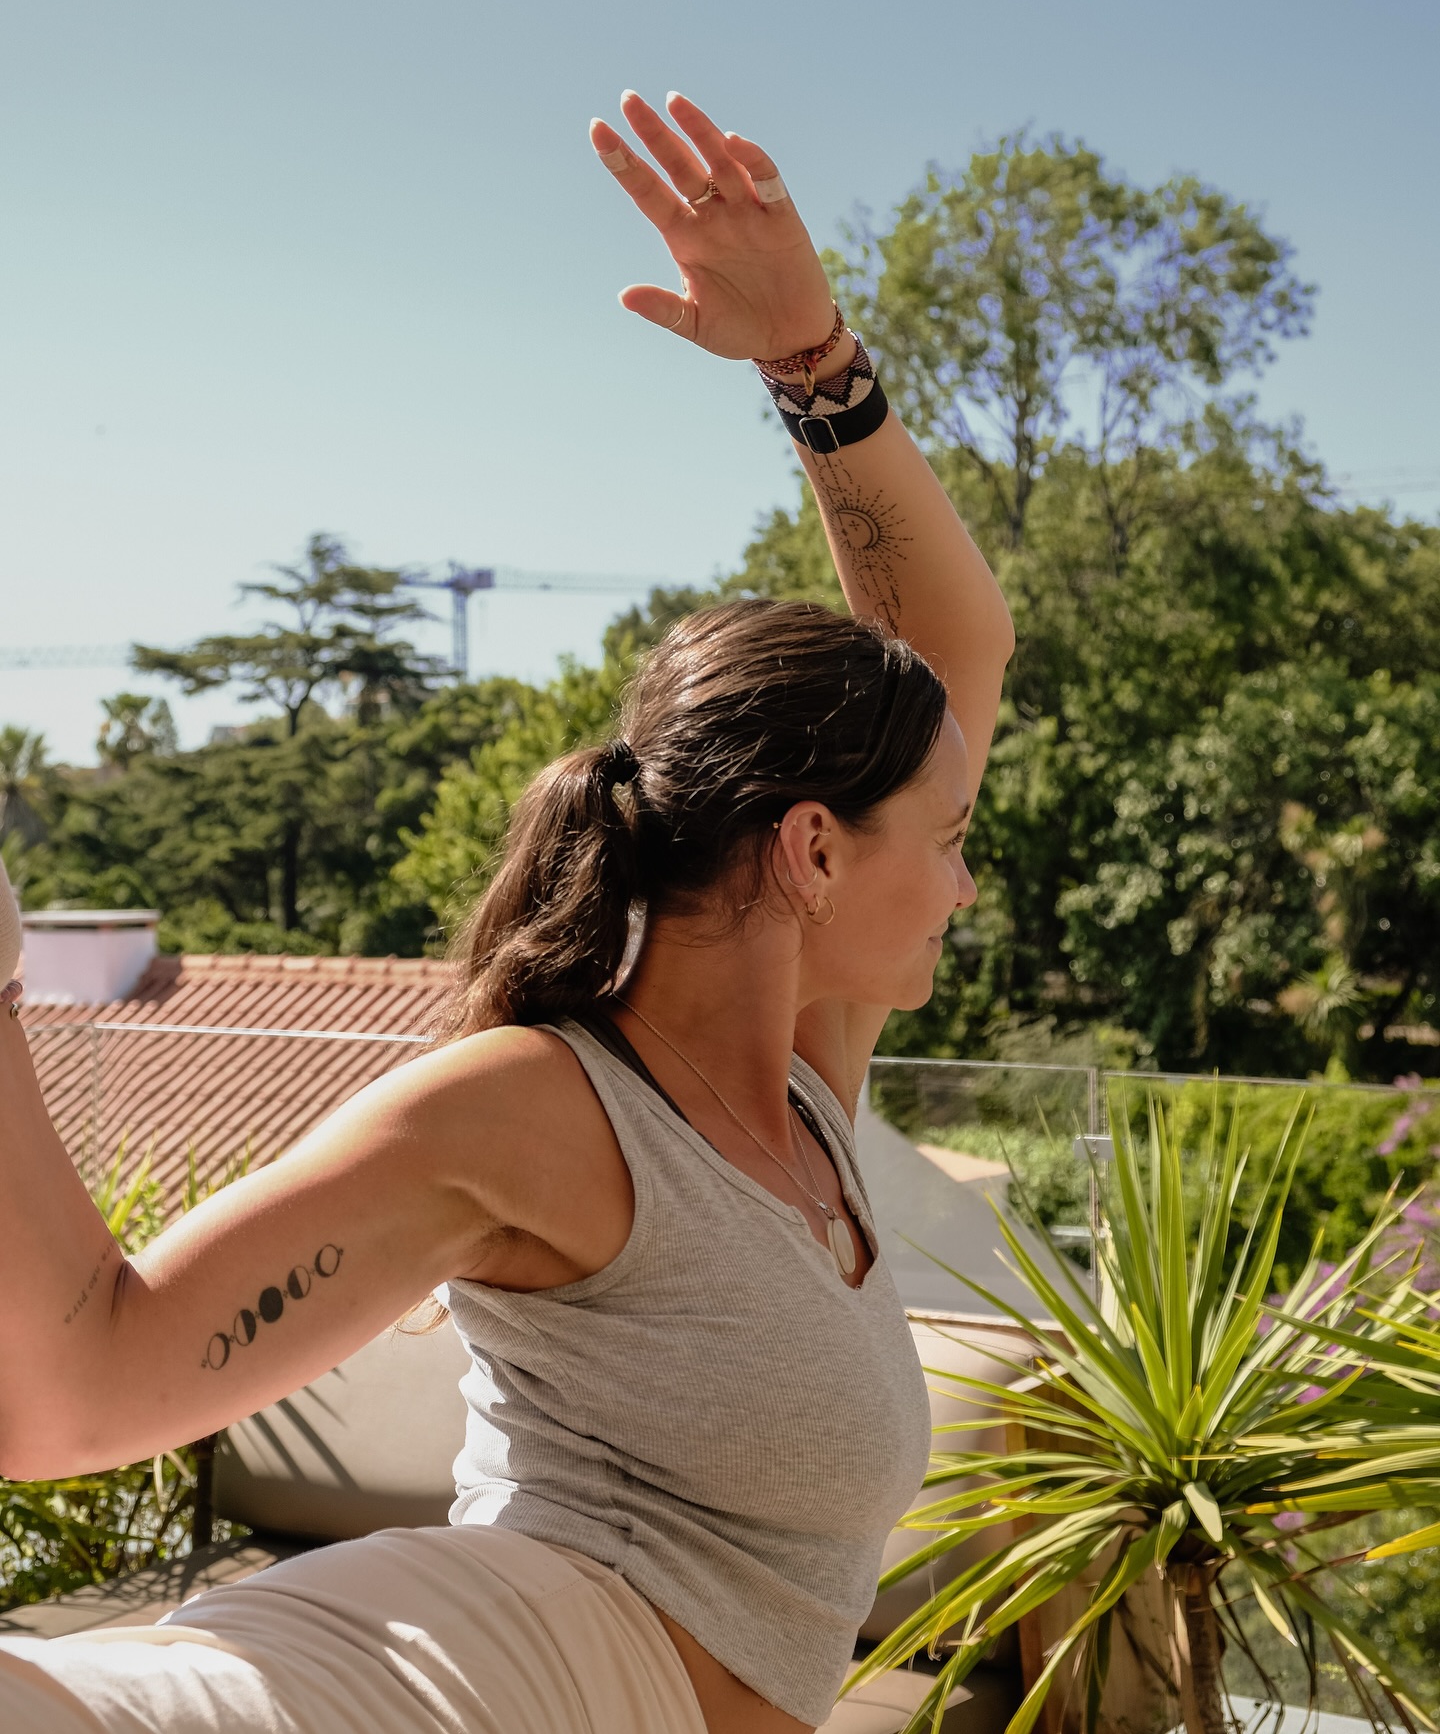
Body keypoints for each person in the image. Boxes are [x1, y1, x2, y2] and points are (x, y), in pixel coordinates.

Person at [0, 89, 1013, 1734]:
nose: (969, 879)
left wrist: (817, 360)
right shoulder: (538, 1108)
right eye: (950, 834)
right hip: (451, 1683)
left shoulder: (806, 1094)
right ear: (813, 853)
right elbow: (79, 1383)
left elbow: (948, 661)